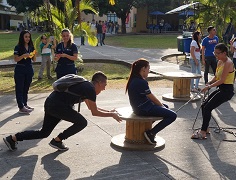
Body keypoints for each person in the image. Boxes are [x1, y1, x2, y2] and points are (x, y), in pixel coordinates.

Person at [3, 71, 122, 151]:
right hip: (57, 106)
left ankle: (12, 138)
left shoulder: (86, 86)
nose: (105, 88)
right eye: (104, 85)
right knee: (82, 122)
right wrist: (111, 114)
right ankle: (58, 140)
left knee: (43, 133)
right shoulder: (89, 89)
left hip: (51, 103)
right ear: (99, 82)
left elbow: (92, 107)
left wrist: (109, 111)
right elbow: (94, 113)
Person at [125, 58, 177, 145]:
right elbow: (152, 98)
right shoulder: (141, 82)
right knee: (172, 115)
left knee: (166, 108)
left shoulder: (134, 79)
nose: (149, 71)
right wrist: (161, 106)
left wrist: (162, 106)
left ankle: (145, 127)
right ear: (143, 69)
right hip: (143, 109)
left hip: (139, 107)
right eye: (148, 69)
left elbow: (147, 97)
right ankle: (151, 133)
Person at [191, 43, 235, 139]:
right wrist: (209, 82)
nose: (216, 55)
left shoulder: (228, 63)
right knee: (204, 106)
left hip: (227, 90)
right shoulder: (220, 62)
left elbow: (222, 80)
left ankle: (203, 131)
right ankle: (206, 128)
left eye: (217, 53)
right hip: (221, 88)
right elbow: (216, 77)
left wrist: (208, 87)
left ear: (224, 53)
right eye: (214, 53)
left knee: (208, 108)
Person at [13, 30, 36, 114]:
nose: (27, 38)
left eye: (29, 37)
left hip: (29, 68)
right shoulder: (18, 47)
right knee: (19, 88)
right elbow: (16, 59)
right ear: (22, 37)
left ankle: (25, 104)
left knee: (26, 88)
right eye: (26, 37)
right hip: (20, 69)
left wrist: (34, 54)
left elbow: (34, 60)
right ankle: (21, 106)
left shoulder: (31, 47)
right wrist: (23, 56)